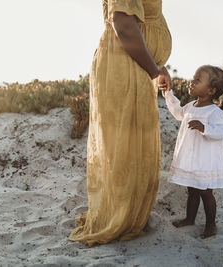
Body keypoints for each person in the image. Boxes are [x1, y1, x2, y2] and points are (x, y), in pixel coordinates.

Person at [68, 0, 172, 246]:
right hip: (123, 67)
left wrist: (159, 65)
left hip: (136, 66)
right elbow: (124, 26)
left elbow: (144, 22)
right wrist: (154, 70)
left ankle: (130, 215)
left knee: (134, 147)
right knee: (123, 149)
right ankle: (119, 217)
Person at [160, 65, 223, 238]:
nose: (191, 82)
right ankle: (189, 219)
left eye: (197, 80)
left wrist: (204, 128)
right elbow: (178, 112)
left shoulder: (215, 112)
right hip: (191, 160)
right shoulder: (191, 106)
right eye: (193, 78)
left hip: (205, 162)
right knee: (192, 191)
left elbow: (222, 132)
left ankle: (210, 225)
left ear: (211, 90)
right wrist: (169, 94)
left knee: (206, 193)